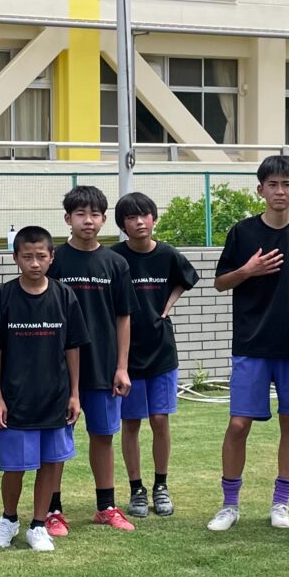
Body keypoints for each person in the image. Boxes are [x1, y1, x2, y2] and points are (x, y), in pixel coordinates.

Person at [207, 154, 289, 533]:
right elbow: (220, 282)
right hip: (251, 344)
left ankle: (281, 503)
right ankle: (229, 503)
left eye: (287, 184)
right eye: (272, 184)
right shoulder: (242, 233)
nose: (279, 191)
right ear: (260, 189)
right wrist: (247, 271)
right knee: (238, 424)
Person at [0, 226, 83, 552]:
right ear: (16, 258)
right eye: (27, 256)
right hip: (15, 400)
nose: (35, 263)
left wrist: (74, 394)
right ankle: (9, 519)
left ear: (52, 257)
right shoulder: (1, 298)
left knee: (51, 462)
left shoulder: (65, 296)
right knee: (14, 467)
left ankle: (38, 525)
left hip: (55, 397)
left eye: (41, 256)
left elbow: (73, 347)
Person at [47, 186, 134, 532]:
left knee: (103, 435)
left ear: (103, 219)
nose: (88, 220)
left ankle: (106, 506)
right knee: (57, 437)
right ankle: (52, 510)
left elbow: (123, 317)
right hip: (57, 368)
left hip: (103, 365)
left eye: (95, 214)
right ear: (68, 219)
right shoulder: (52, 260)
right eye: (80, 214)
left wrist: (122, 367)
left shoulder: (116, 263)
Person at [113, 194, 197, 519]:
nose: (139, 222)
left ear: (153, 219)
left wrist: (168, 305)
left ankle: (161, 485)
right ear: (122, 224)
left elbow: (184, 280)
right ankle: (136, 489)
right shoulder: (115, 258)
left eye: (144, 215)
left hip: (161, 350)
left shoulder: (167, 254)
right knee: (131, 422)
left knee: (160, 420)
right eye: (131, 217)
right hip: (126, 356)